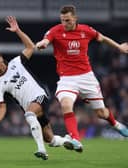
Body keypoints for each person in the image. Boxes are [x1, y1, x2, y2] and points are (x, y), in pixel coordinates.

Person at [36, 5, 128, 152]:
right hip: (67, 79)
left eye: (67, 20)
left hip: (87, 78)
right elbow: (46, 40)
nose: (64, 24)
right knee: (66, 105)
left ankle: (116, 124)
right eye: (62, 20)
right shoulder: (56, 31)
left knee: (101, 113)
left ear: (75, 18)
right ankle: (76, 140)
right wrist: (43, 44)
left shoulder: (86, 30)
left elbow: (102, 38)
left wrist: (119, 47)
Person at [0, 16, 72, 160]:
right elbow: (1, 107)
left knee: (30, 115)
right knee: (50, 139)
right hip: (30, 107)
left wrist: (17, 30)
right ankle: (68, 140)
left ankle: (41, 150)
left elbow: (31, 46)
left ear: (1, 58)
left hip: (40, 95)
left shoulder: (16, 63)